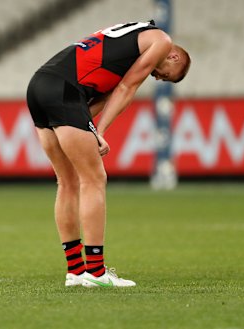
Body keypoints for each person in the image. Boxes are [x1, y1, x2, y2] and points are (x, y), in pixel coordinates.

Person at [26, 20, 190, 287]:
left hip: (41, 84)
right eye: (166, 74)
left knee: (67, 182)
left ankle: (76, 272)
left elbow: (101, 97)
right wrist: (99, 131)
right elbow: (127, 88)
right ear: (172, 55)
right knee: (94, 180)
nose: (157, 77)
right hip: (66, 90)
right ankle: (96, 272)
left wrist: (90, 130)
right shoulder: (162, 41)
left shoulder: (126, 47)